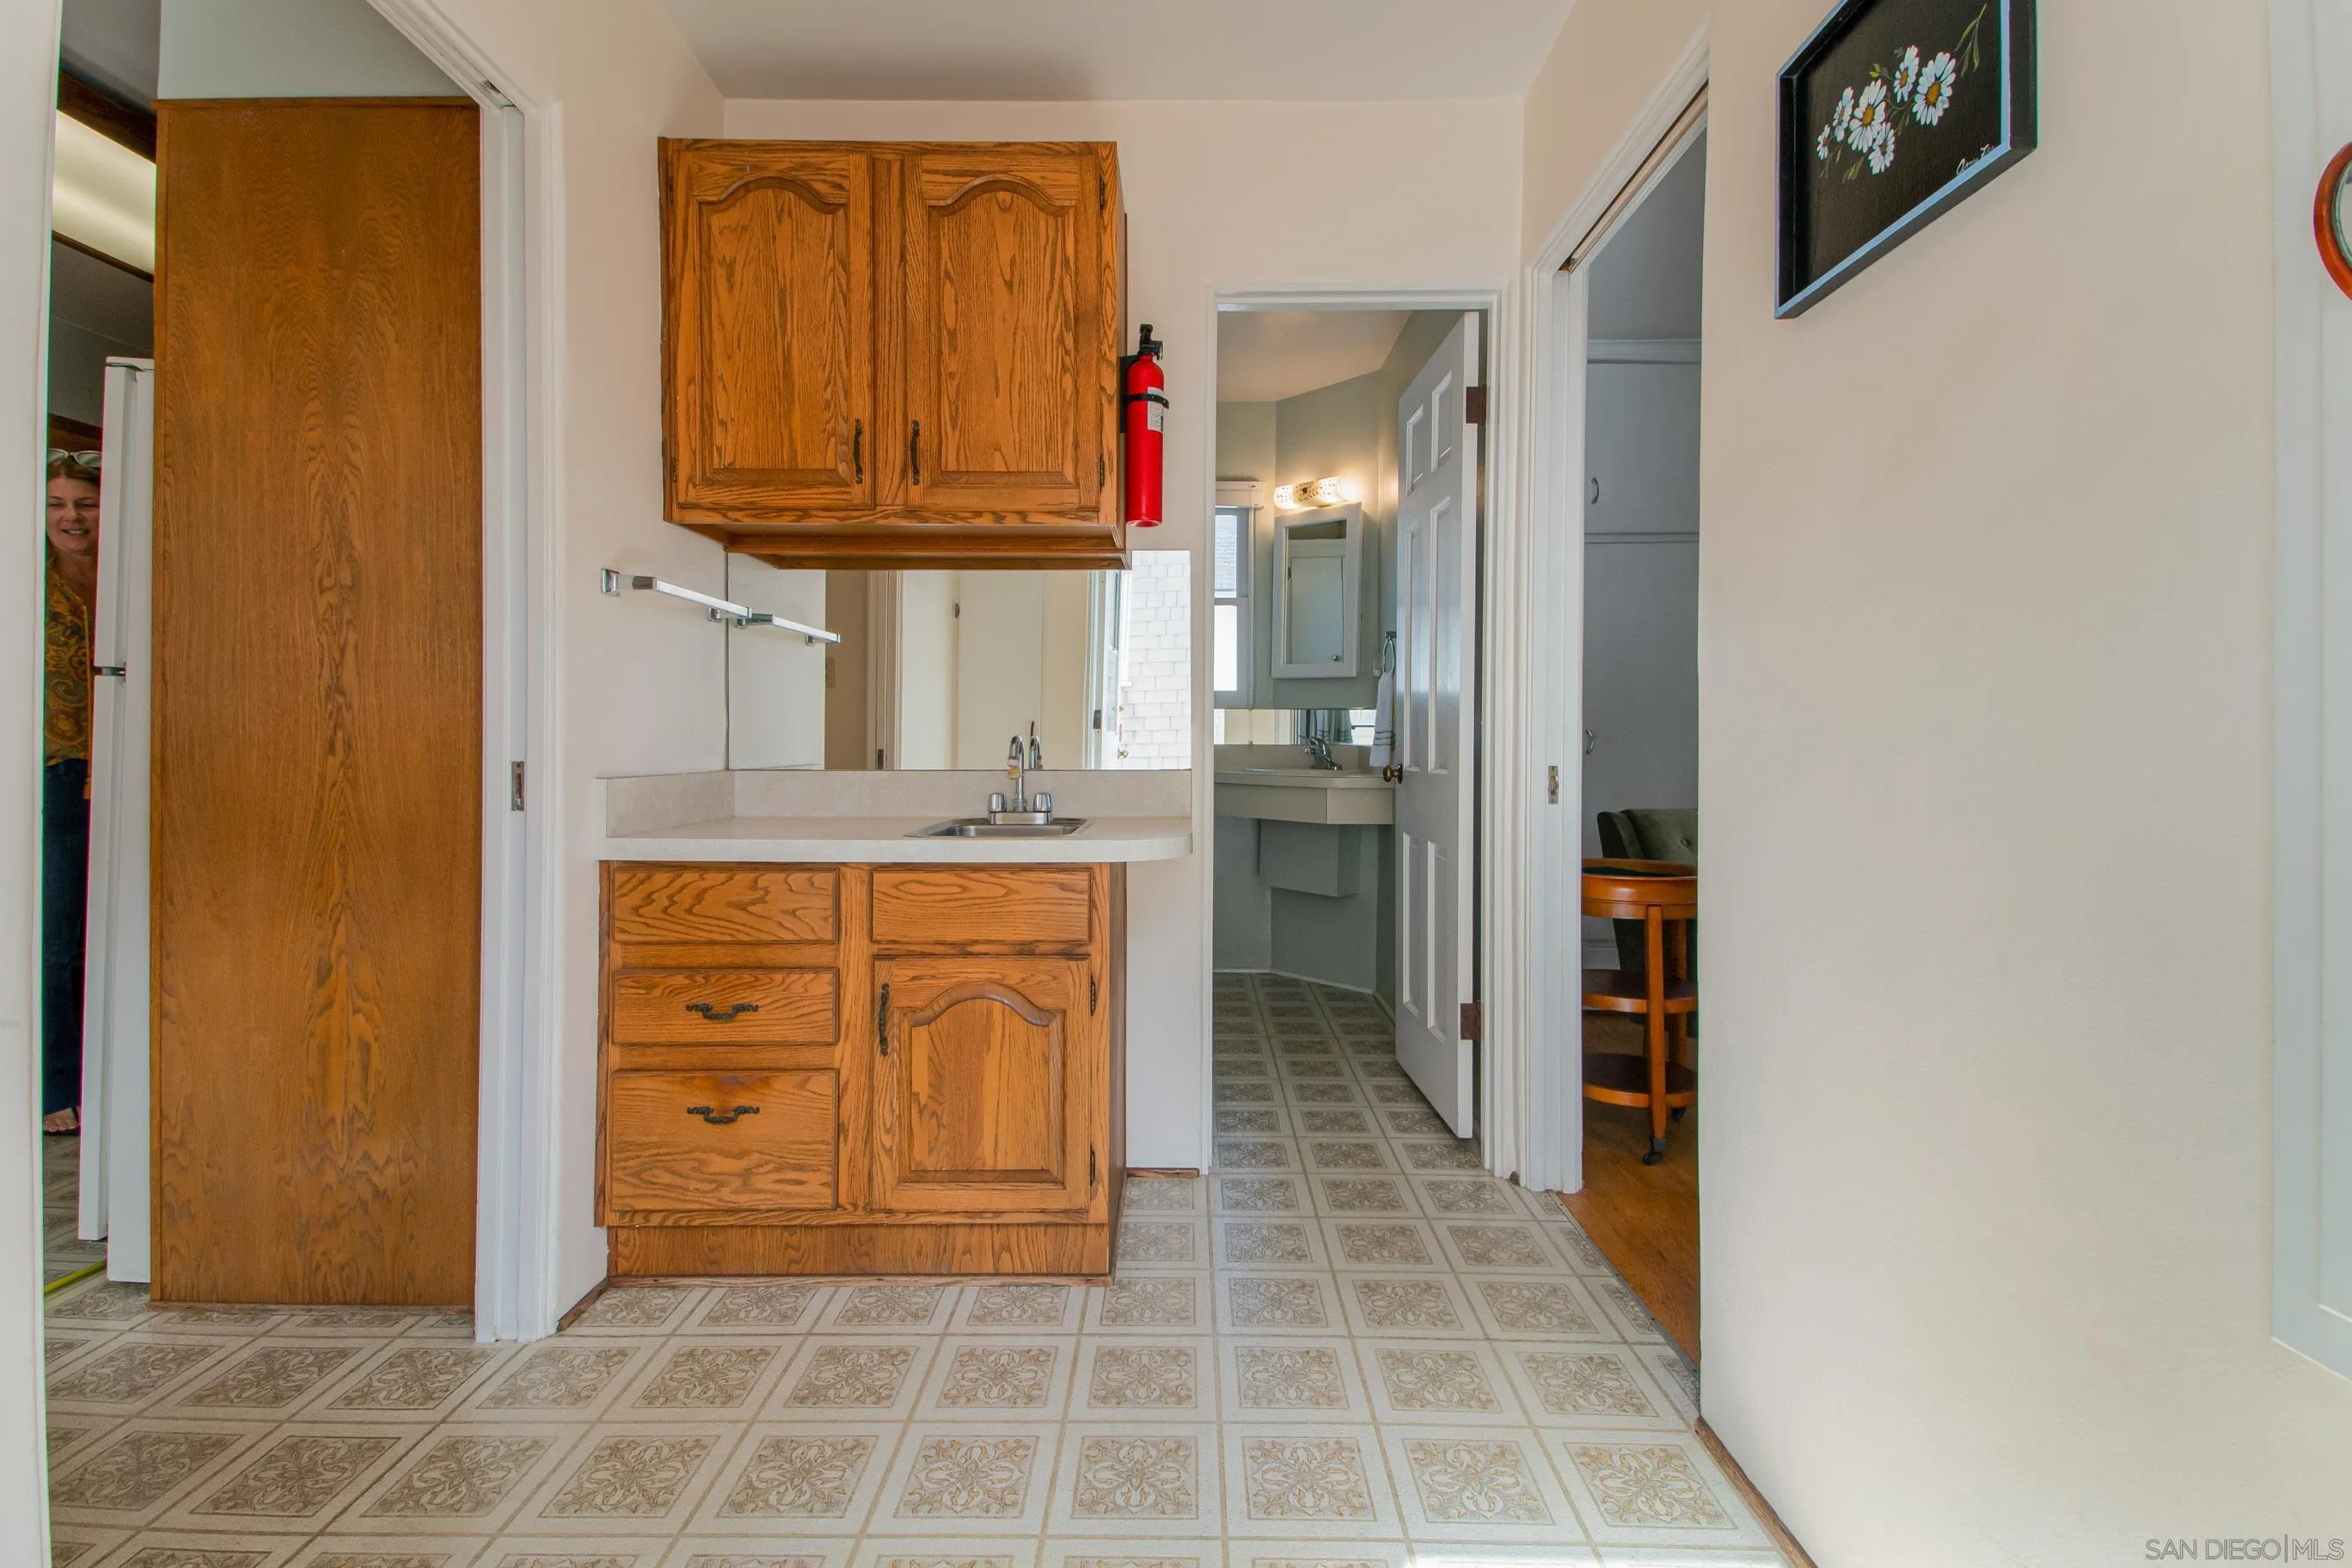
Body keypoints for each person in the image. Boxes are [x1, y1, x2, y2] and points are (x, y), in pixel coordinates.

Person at [44, 450, 100, 1136]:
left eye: (84, 503)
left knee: (114, 926)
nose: (72, 517)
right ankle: (55, 1084)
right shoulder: (29, 583)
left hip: (127, 764)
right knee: (59, 936)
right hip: (59, 770)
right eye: (58, 504)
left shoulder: (124, 575)